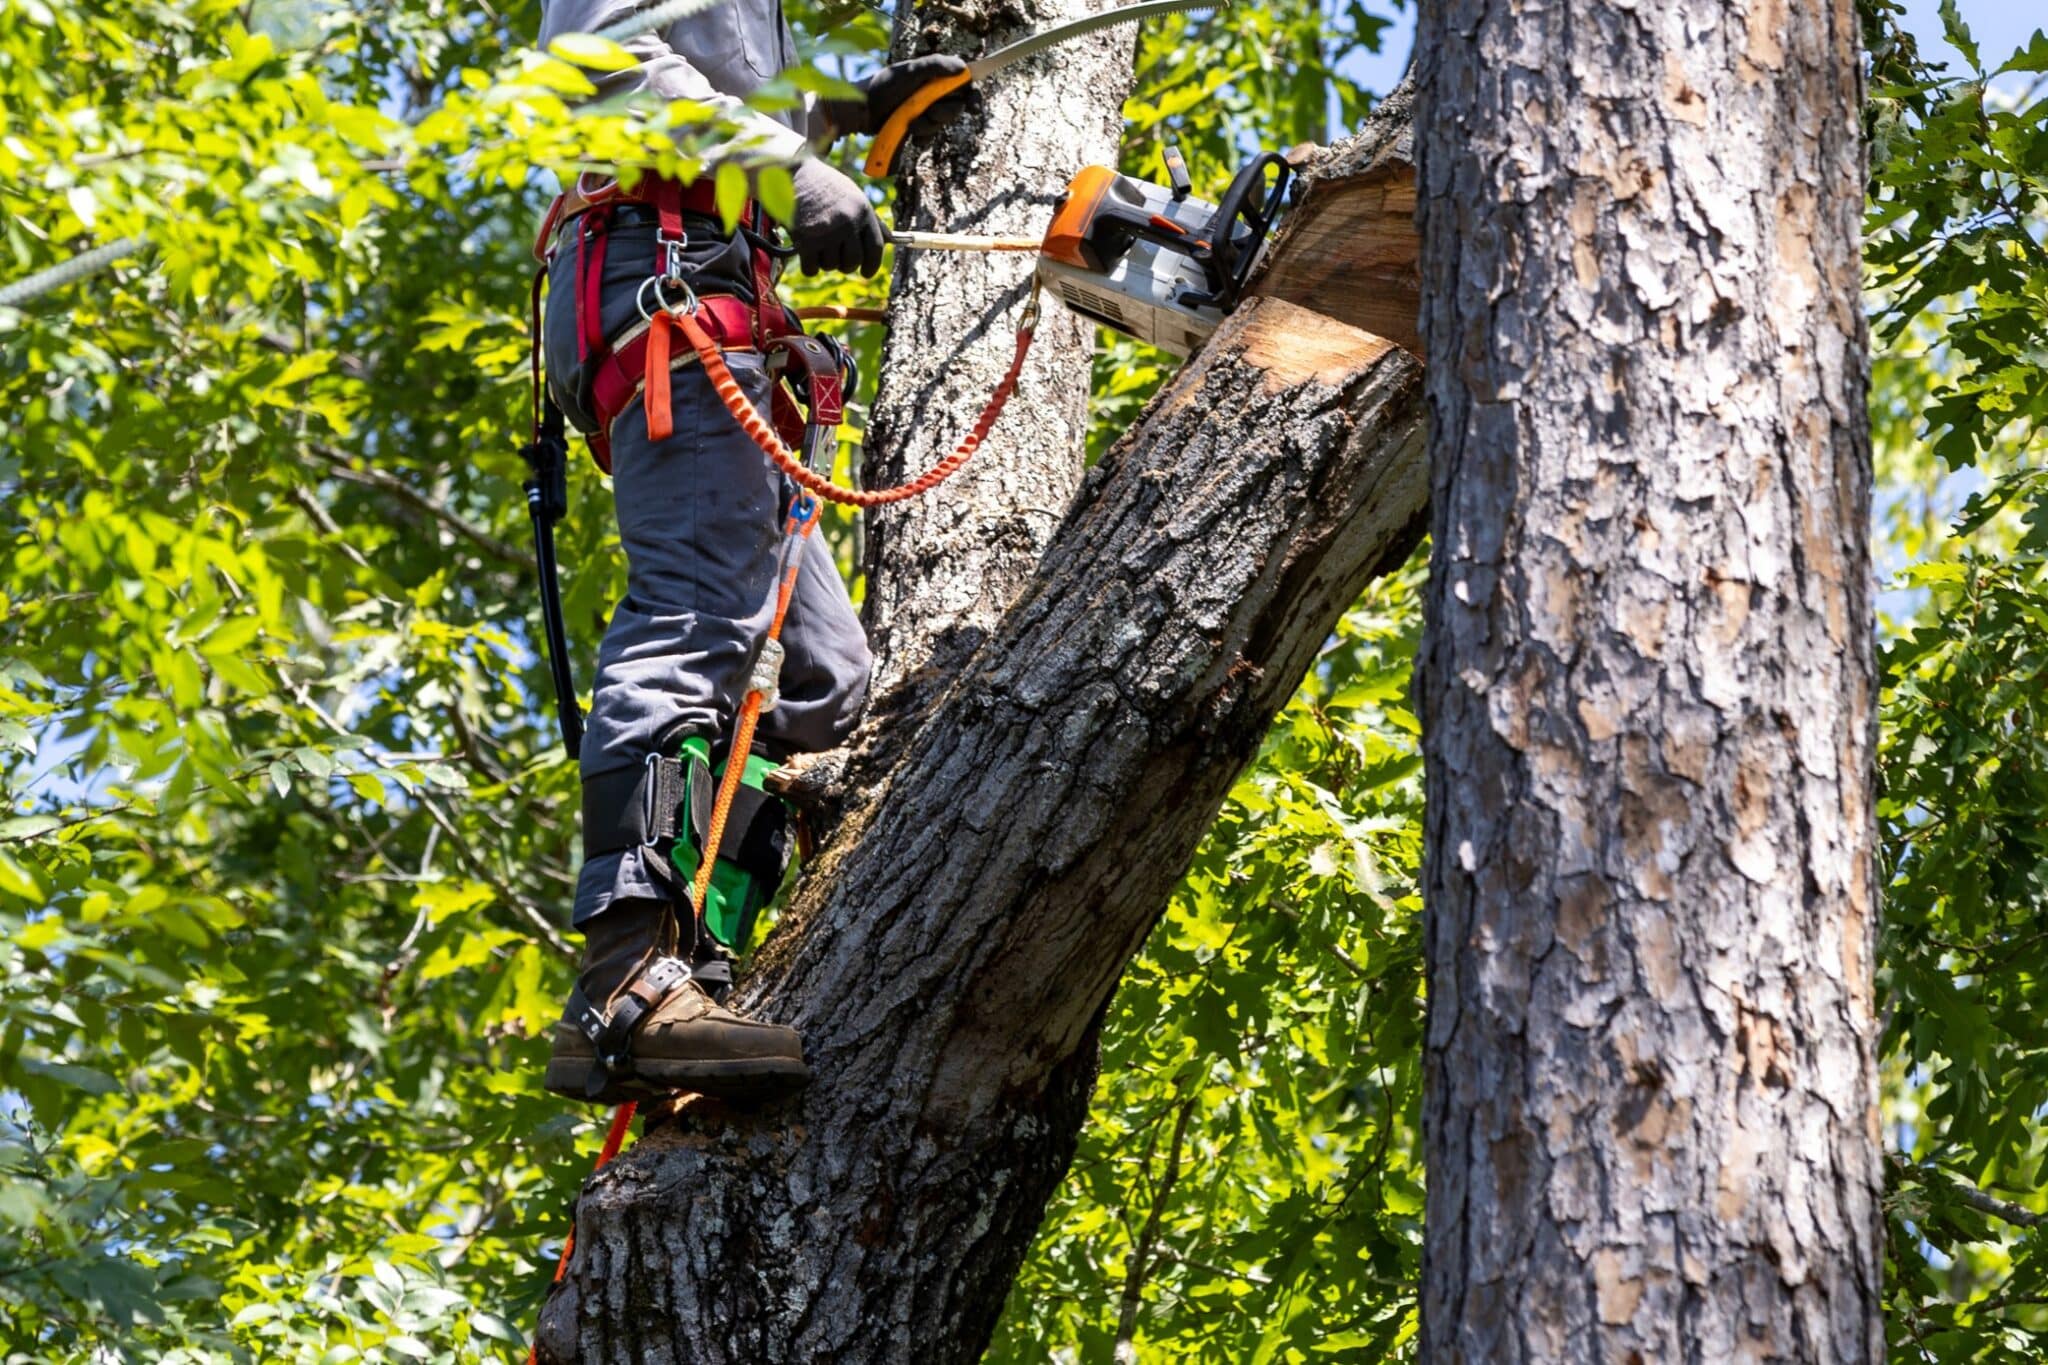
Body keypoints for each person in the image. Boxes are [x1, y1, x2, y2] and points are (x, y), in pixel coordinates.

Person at [531, 0, 974, 1104]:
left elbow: (696, 69)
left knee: (822, 682)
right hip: (662, 273)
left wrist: (819, 111)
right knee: (697, 610)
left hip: (704, 272)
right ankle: (625, 975)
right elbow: (598, 63)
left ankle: (699, 953)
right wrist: (786, 166)